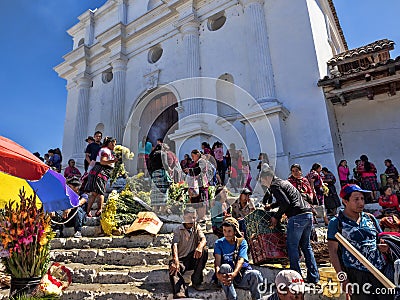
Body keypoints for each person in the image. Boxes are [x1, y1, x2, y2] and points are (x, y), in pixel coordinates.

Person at [327, 184, 392, 300]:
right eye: (356, 199)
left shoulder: (370, 218)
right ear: (345, 201)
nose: (361, 203)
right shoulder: (337, 223)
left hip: (380, 272)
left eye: (362, 199)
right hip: (357, 275)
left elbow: (381, 239)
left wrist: (384, 247)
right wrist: (343, 279)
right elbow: (333, 252)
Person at [261, 164, 319, 284]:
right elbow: (286, 200)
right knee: (306, 247)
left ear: (267, 178)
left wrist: (276, 217)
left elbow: (286, 203)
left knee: (292, 247)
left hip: (296, 217)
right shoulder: (284, 182)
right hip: (307, 214)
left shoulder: (274, 185)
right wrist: (271, 206)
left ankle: (295, 277)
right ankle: (314, 277)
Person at [214, 217, 264, 300]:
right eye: (224, 230)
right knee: (225, 267)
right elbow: (217, 262)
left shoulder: (242, 242)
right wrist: (218, 274)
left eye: (229, 231)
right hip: (226, 277)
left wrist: (234, 273)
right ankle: (232, 298)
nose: (226, 234)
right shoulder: (219, 243)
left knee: (256, 274)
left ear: (235, 231)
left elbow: (241, 260)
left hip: (240, 275)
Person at [169, 207, 208, 298]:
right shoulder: (178, 229)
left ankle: (196, 281)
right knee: (173, 267)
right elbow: (174, 245)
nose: (192, 220)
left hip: (193, 257)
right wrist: (176, 260)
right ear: (184, 217)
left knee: (204, 250)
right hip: (182, 259)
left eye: (194, 218)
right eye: (189, 218)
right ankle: (180, 293)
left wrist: (199, 247)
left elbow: (203, 239)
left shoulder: (196, 226)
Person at [85, 137, 119, 217]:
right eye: (114, 143)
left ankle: (89, 211)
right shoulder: (105, 150)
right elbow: (103, 161)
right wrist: (113, 161)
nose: (115, 145)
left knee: (95, 193)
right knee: (99, 192)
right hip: (100, 172)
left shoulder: (107, 150)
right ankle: (98, 209)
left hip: (98, 172)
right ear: (110, 143)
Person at [184, 149, 209, 221]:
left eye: (193, 156)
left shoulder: (201, 161)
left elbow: (199, 170)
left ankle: (202, 217)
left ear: (197, 155)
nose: (192, 158)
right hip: (195, 185)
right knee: (196, 200)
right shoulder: (196, 162)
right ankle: (198, 216)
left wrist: (190, 170)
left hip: (201, 184)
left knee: (201, 200)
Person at [147, 143, 172, 213]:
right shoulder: (162, 153)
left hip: (154, 174)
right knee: (163, 191)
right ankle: (163, 210)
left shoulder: (152, 154)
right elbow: (165, 164)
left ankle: (155, 209)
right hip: (161, 173)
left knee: (155, 192)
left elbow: (149, 167)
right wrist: (169, 169)